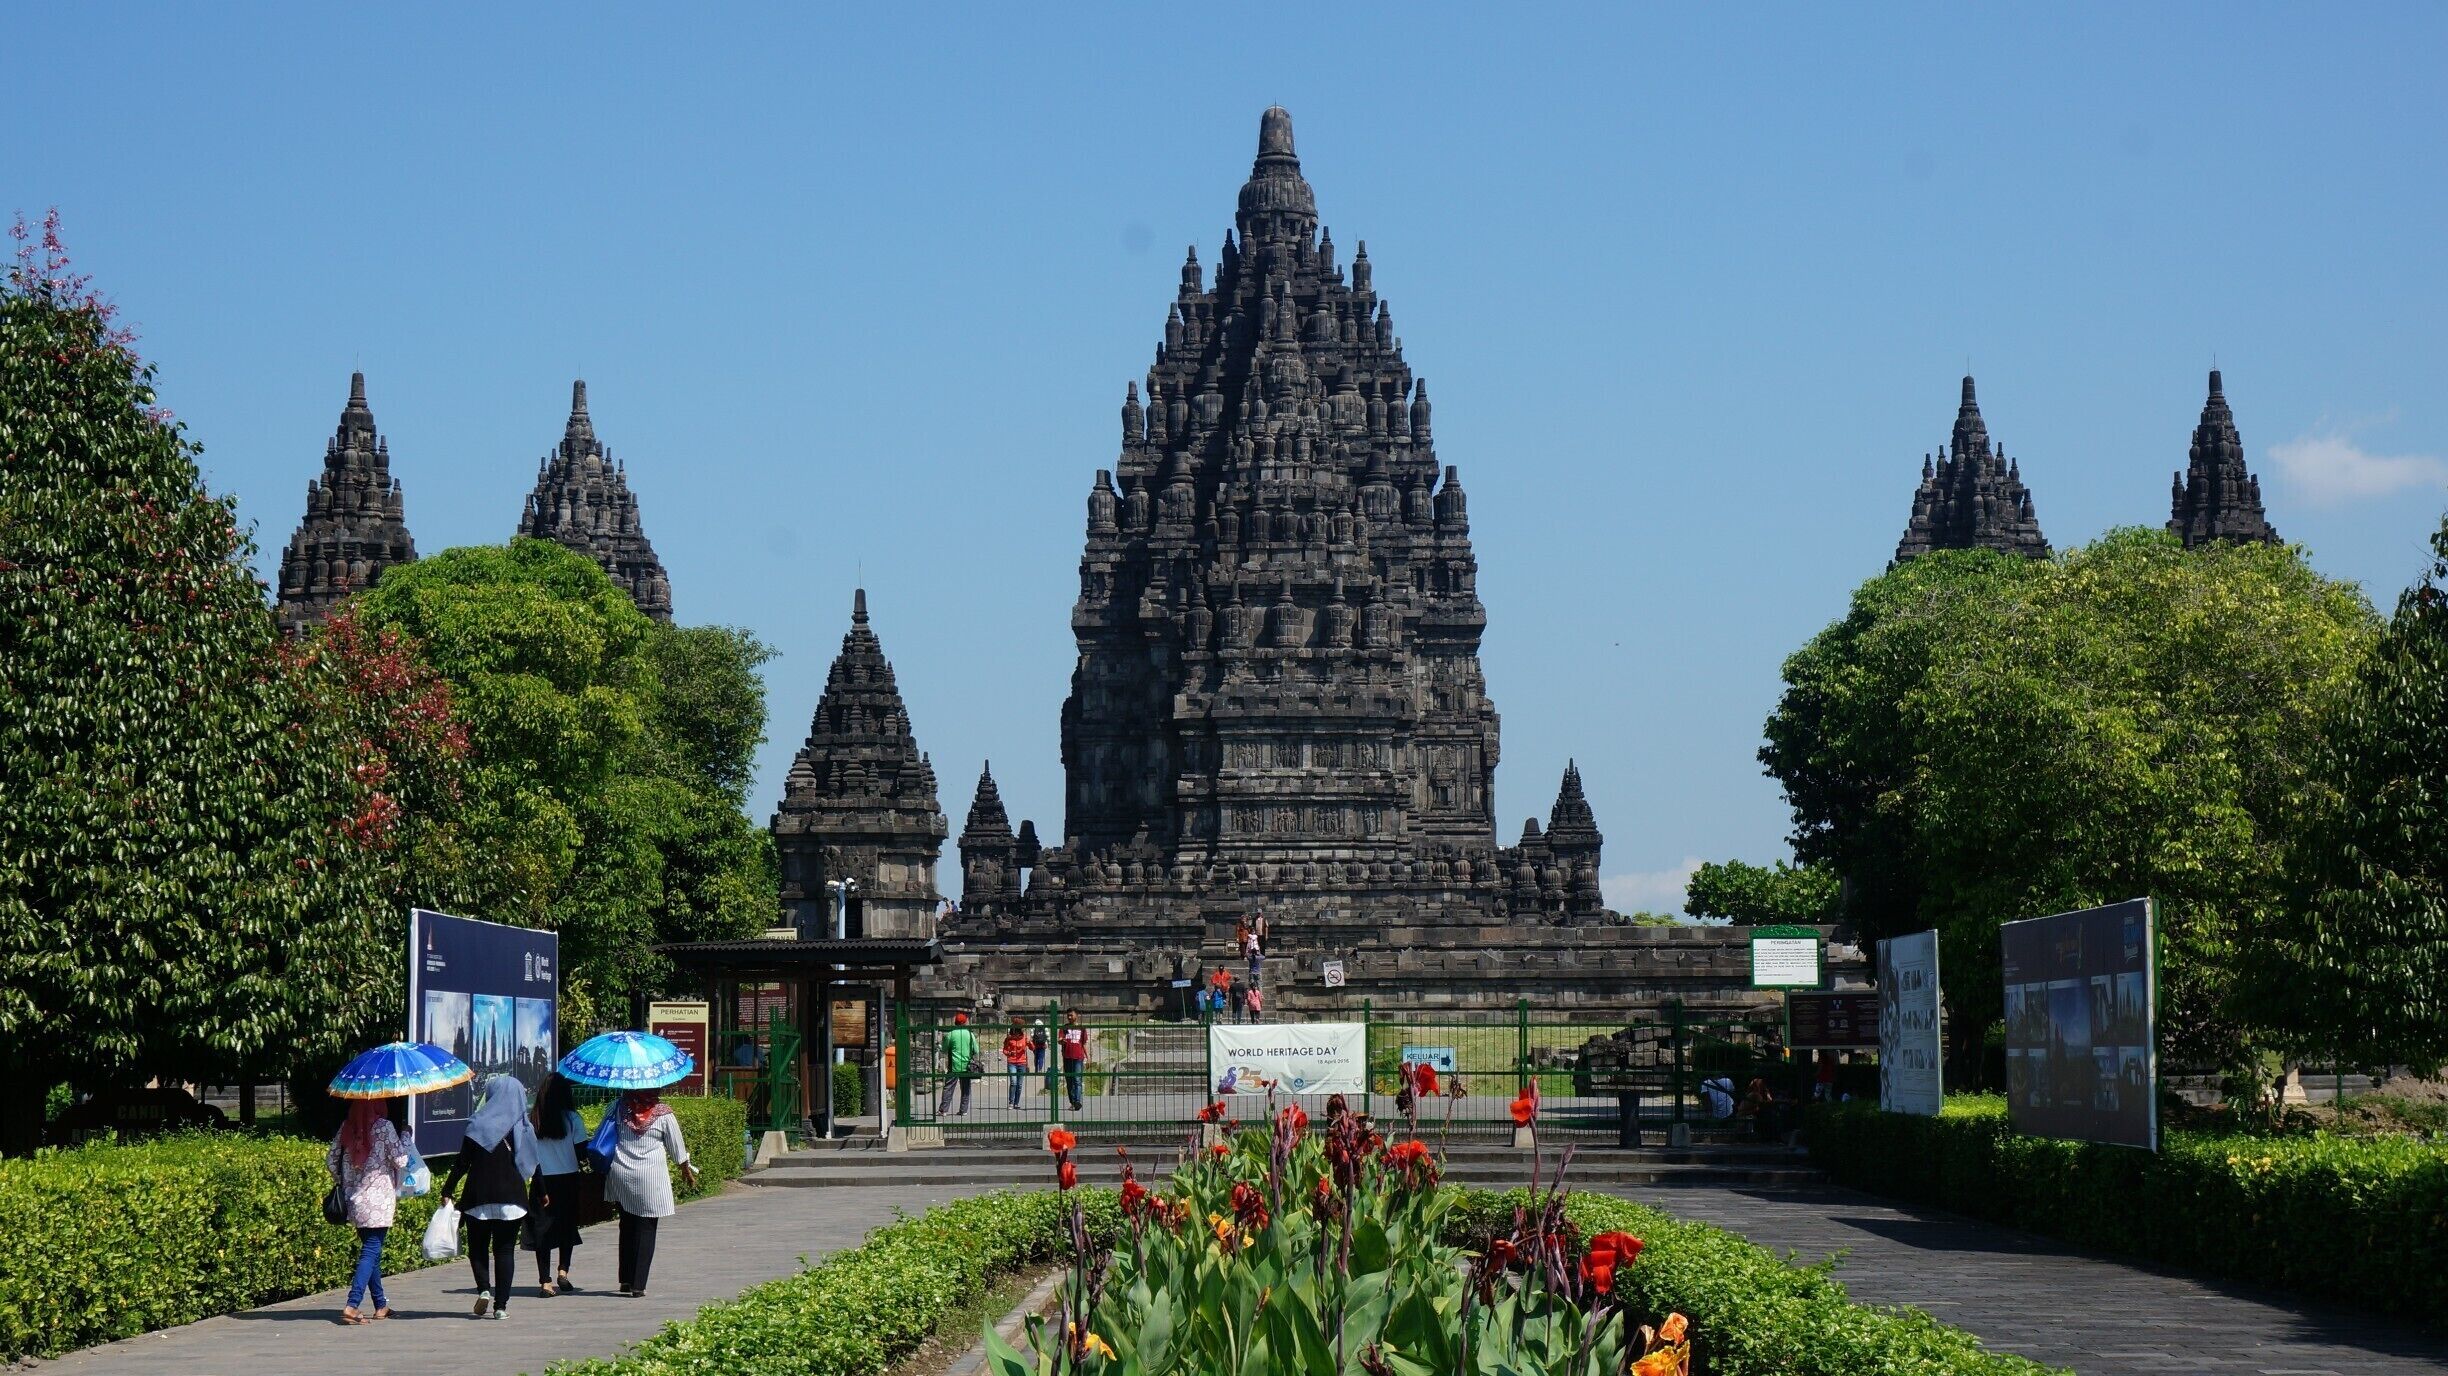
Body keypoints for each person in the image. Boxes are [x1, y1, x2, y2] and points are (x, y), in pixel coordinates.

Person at [441, 1074, 538, 1318]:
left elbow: (462, 1163)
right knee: (504, 1251)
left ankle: (484, 1289)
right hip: (512, 1198)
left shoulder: (477, 1124)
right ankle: (501, 1307)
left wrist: (447, 1189)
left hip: (478, 1196)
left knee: (478, 1248)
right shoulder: (523, 1126)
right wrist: (543, 1192)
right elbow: (534, 1163)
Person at [604, 1087, 697, 1297]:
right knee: (646, 1227)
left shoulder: (616, 1108)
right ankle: (638, 1284)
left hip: (620, 1173)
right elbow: (677, 1148)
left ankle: (626, 1280)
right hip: (650, 1177)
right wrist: (685, 1169)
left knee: (627, 1224)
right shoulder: (663, 1113)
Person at [327, 1097, 410, 1324]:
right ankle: (352, 1305)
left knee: (371, 1251)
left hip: (354, 1201)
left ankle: (380, 1305)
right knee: (372, 1249)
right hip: (378, 1202)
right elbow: (401, 1160)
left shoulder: (347, 1126)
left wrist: (347, 1182)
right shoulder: (384, 1126)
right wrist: (406, 1136)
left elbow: (331, 1160)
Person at [526, 1071, 587, 1295]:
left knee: (542, 1231)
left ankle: (545, 1281)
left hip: (542, 1179)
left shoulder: (533, 1120)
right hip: (569, 1179)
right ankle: (563, 1271)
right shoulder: (573, 1119)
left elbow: (528, 1155)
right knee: (566, 1227)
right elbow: (582, 1152)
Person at [939, 1012, 978, 1117]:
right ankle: (963, 1110)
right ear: (965, 1022)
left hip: (954, 1065)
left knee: (948, 1088)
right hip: (967, 1066)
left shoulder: (951, 1034)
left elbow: (944, 1049)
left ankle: (943, 1110)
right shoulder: (970, 1034)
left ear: (955, 1022)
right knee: (965, 1089)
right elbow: (976, 1050)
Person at [1058, 1009, 1088, 1113]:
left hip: (1078, 1057)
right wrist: (1061, 1041)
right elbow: (1060, 1040)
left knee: (1077, 1080)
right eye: (1068, 1016)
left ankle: (1077, 1101)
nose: (1069, 1017)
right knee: (1069, 1081)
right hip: (1067, 1057)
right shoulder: (1064, 1028)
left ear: (1077, 1015)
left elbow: (1084, 1043)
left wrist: (1088, 1057)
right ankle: (1073, 1102)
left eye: (1071, 1015)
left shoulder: (1082, 1028)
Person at [1001, 1016, 1030, 1109]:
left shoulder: (1025, 1037)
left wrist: (1030, 1042)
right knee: (1013, 1082)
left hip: (1022, 1063)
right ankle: (1011, 1102)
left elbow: (1032, 1048)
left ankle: (1016, 1103)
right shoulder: (1009, 1039)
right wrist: (1009, 1053)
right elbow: (1004, 1050)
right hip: (1012, 1062)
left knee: (1019, 1084)